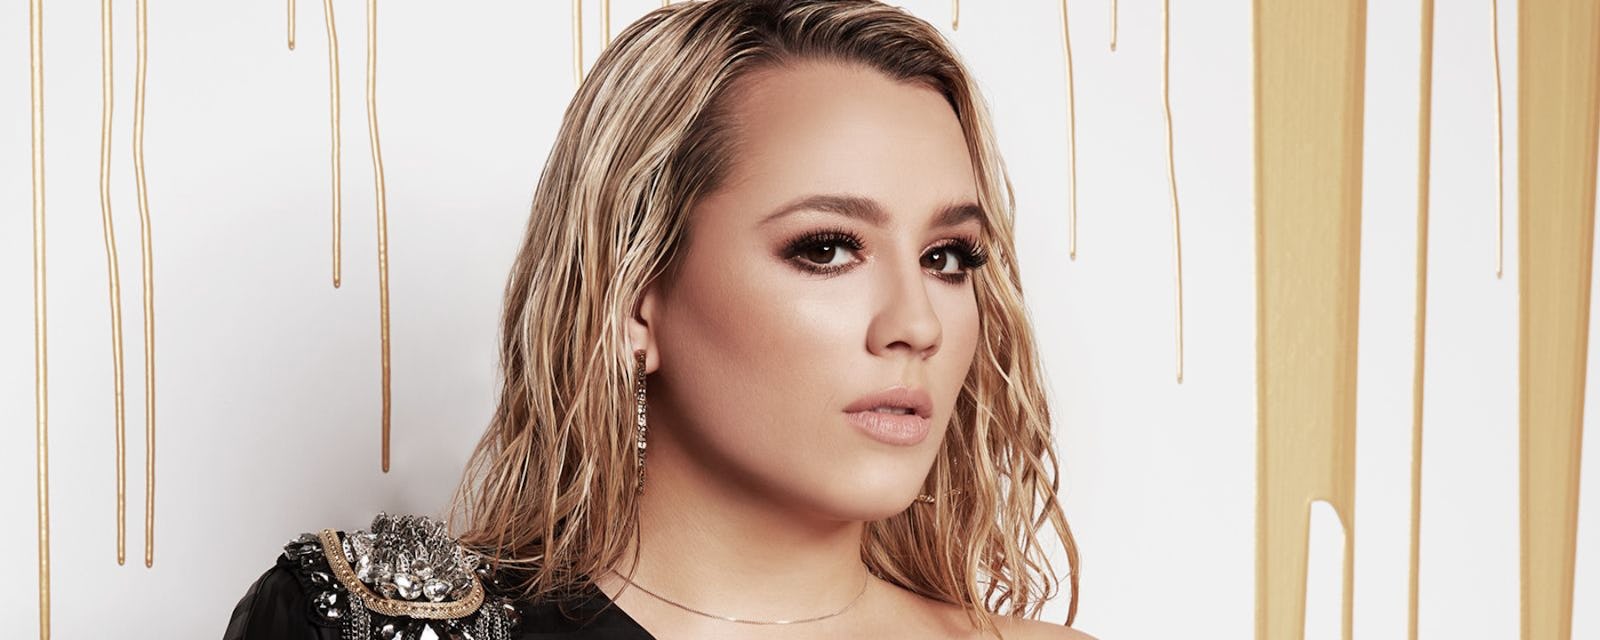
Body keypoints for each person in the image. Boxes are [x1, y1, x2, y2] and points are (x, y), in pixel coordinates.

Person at [223, 1, 1092, 638]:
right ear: (635, 296)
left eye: (949, 258)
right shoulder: (368, 625)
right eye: (827, 248)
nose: (918, 325)